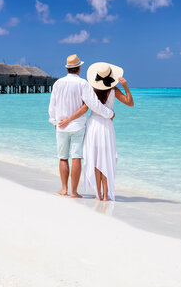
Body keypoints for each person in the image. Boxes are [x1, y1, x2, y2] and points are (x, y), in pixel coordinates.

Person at [59, 62, 134, 201]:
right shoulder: (114, 90)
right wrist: (125, 86)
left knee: (95, 159)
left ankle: (97, 195)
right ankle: (105, 195)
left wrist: (67, 120)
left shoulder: (91, 89)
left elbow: (83, 109)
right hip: (107, 126)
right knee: (106, 158)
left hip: (94, 125)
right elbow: (130, 103)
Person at [48, 55, 115, 198]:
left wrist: (55, 122)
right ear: (78, 68)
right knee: (76, 157)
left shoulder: (57, 83)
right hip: (78, 126)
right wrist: (109, 114)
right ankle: (74, 192)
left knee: (62, 158)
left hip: (61, 126)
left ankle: (64, 189)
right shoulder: (83, 84)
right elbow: (93, 104)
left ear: (67, 68)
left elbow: (52, 106)